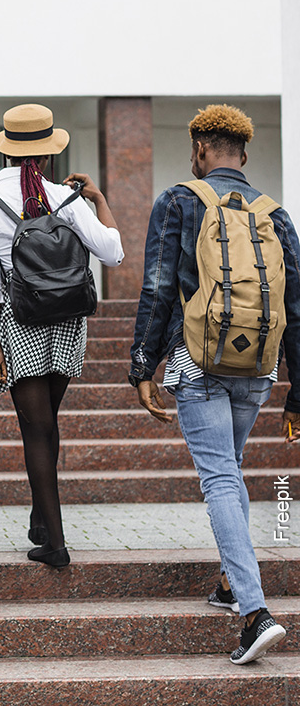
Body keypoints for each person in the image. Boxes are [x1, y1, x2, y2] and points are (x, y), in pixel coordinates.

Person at [129, 103, 294, 664]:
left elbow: (155, 289)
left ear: (200, 150)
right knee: (233, 469)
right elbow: (296, 305)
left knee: (221, 479)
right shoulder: (275, 214)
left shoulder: (179, 200)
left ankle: (254, 614)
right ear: (244, 154)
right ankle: (229, 583)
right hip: (258, 371)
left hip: (198, 363)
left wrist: (141, 367)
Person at [0, 103, 123, 568]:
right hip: (69, 318)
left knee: (36, 428)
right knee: (47, 421)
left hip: (20, 317)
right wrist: (98, 199)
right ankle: (40, 520)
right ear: (50, 155)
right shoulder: (69, 198)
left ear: (8, 152)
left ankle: (55, 543)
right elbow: (113, 253)